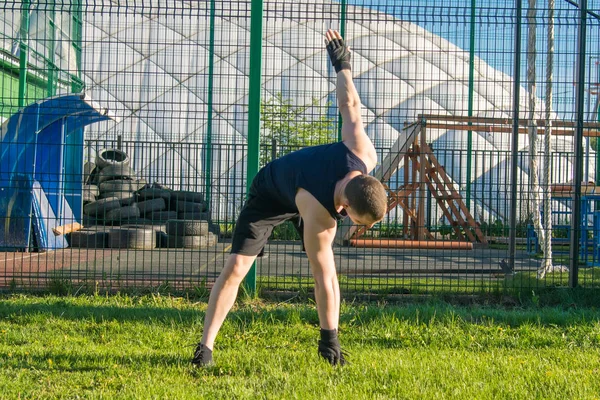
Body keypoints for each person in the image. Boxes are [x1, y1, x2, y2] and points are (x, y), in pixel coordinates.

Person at [192, 29, 388, 367]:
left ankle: (330, 346)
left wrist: (342, 65)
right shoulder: (322, 215)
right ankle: (204, 349)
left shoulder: (362, 151)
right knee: (238, 266)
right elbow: (322, 274)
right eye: (357, 223)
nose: (355, 227)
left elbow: (350, 105)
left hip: (303, 186)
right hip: (272, 191)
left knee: (326, 269)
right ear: (346, 208)